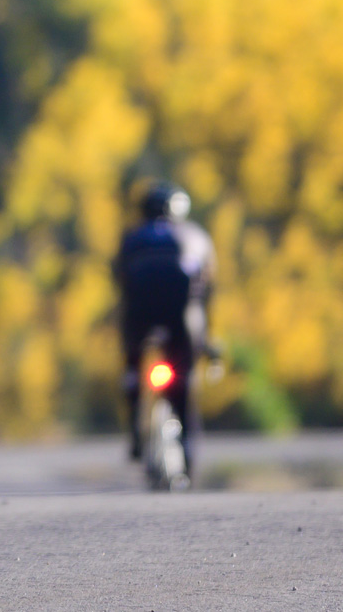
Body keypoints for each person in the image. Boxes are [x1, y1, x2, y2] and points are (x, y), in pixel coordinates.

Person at [114, 181, 217, 472]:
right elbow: (209, 288)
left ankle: (136, 425)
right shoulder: (196, 235)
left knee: (133, 362)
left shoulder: (132, 237)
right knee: (184, 373)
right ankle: (185, 440)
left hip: (139, 313)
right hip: (183, 314)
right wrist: (209, 339)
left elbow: (119, 279)